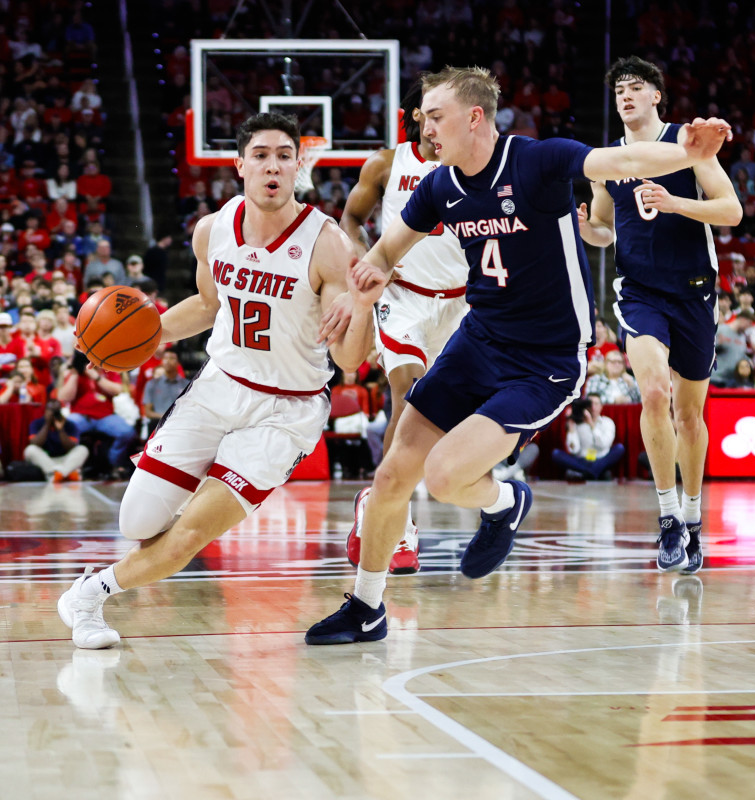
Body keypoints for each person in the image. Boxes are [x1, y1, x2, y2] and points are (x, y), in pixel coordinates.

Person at [307, 66, 731, 644]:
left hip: (547, 357)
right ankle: (366, 606)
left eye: (435, 116)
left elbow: (621, 162)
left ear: (473, 117)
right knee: (392, 473)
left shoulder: (538, 160)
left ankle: (505, 501)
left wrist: (686, 147)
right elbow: (385, 252)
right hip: (479, 338)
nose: (425, 128)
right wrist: (366, 281)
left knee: (445, 475)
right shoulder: (440, 185)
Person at [57, 112, 375, 650]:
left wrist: (363, 303)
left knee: (190, 534)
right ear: (238, 164)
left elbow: (349, 358)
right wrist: (137, 337)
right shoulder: (212, 230)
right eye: (260, 155)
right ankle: (164, 530)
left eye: (282, 155)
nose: (272, 165)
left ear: (299, 164)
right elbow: (209, 306)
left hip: (286, 410)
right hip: (218, 387)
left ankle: (90, 593)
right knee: (138, 520)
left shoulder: (327, 246)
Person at [578, 56, 741, 575]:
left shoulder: (686, 145)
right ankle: (668, 515)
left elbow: (731, 211)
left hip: (693, 290)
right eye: (619, 89)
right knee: (653, 392)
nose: (625, 95)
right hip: (639, 290)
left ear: (655, 96)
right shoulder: (606, 160)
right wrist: (589, 230)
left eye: (636, 87)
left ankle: (694, 519)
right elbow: (605, 229)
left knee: (690, 416)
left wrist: (676, 204)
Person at [339, 80, 469, 575]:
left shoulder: (473, 163)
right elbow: (351, 217)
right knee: (409, 395)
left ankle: (376, 496)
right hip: (403, 296)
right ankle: (396, 523)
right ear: (417, 114)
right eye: (433, 112)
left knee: (444, 414)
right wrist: (365, 260)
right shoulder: (386, 164)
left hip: (461, 303)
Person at [55, 354, 136, 477]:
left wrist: (96, 377)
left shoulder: (108, 370)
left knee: (126, 432)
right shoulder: (75, 374)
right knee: (66, 429)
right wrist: (75, 374)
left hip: (105, 416)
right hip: (81, 416)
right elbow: (64, 397)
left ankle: (113, 464)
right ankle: (73, 467)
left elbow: (118, 390)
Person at [550, 394, 626, 480]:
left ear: (601, 406)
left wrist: (591, 425)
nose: (593, 407)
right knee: (556, 454)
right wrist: (571, 428)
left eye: (596, 404)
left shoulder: (607, 422)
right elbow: (574, 450)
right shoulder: (578, 422)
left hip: (600, 459)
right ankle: (594, 472)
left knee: (619, 448)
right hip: (582, 460)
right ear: (585, 406)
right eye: (590, 404)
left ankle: (586, 473)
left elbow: (603, 444)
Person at [25, 399, 90, 481]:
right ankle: (65, 473)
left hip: (65, 460)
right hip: (46, 460)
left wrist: (60, 430)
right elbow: (35, 443)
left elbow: (71, 447)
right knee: (30, 450)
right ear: (45, 411)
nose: (53, 414)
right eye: (51, 410)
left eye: (56, 411)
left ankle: (58, 474)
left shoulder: (70, 425)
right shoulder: (37, 423)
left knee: (82, 449)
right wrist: (47, 424)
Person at [141, 349, 188, 422]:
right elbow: (148, 412)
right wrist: (166, 417)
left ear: (178, 362)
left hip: (180, 422)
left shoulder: (186, 385)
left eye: (172, 358)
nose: (168, 361)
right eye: (165, 358)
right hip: (158, 424)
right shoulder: (152, 384)